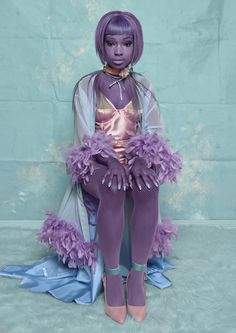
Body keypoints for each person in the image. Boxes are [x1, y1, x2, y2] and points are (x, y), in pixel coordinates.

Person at [0, 11, 182, 324]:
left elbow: (154, 131)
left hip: (134, 160)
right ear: (102, 45)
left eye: (126, 43)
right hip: (97, 164)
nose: (119, 50)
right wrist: (110, 159)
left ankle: (136, 276)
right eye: (111, 43)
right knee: (112, 186)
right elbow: (85, 135)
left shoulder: (144, 86)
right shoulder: (86, 86)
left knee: (148, 185)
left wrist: (140, 158)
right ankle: (113, 277)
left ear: (135, 46)